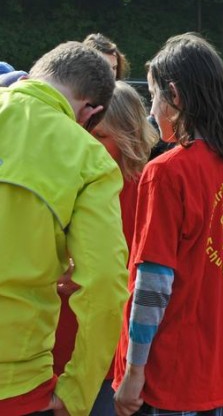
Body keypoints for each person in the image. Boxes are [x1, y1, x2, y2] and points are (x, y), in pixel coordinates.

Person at [114, 33, 223, 416]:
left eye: (154, 95)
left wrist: (133, 370)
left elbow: (153, 284)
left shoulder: (166, 172)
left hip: (166, 375)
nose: (151, 106)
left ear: (174, 96)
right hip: (215, 371)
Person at [0, 42, 129, 415]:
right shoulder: (90, 158)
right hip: (16, 384)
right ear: (92, 112)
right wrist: (78, 389)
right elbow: (105, 284)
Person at [53, 81, 158, 415]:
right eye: (86, 133)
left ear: (130, 136)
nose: (90, 144)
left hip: (118, 338)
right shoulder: (69, 177)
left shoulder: (150, 186)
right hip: (63, 331)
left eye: (101, 137)